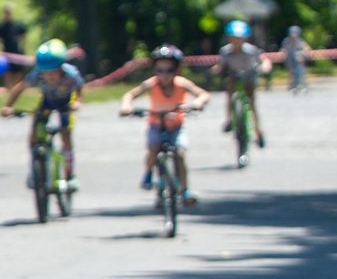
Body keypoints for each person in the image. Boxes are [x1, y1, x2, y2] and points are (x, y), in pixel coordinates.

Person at [119, 44, 211, 205]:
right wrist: (126, 106)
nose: (164, 75)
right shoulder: (151, 84)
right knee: (153, 147)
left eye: (169, 70)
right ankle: (148, 172)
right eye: (159, 70)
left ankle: (185, 190)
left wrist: (198, 103)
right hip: (156, 124)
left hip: (176, 126)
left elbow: (203, 94)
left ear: (176, 70)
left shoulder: (182, 84)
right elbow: (130, 95)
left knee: (180, 154)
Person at [0, 39, 85, 190]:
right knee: (34, 134)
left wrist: (77, 102)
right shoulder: (37, 74)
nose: (49, 76)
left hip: (65, 102)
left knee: (65, 134)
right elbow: (20, 88)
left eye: (53, 72)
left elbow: (80, 88)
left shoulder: (70, 74)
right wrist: (8, 106)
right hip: (47, 102)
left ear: (61, 67)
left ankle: (70, 174)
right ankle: (34, 169)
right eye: (46, 72)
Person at [214, 20, 268, 148]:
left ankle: (258, 131)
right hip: (234, 75)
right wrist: (216, 70)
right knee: (229, 94)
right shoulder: (225, 51)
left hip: (249, 76)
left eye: (239, 38)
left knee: (251, 103)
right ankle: (229, 120)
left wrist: (264, 67)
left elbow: (264, 60)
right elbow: (221, 65)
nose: (236, 41)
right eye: (233, 38)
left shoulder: (251, 50)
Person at [0, 3, 28, 90]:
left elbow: (23, 37)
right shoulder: (1, 26)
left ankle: (16, 90)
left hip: (16, 52)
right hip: (5, 52)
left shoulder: (17, 25)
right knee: (7, 72)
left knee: (18, 72)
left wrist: (24, 48)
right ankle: (9, 89)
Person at [279, 25, 312, 92]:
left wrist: (304, 53)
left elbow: (307, 48)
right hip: (290, 60)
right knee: (291, 73)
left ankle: (302, 85)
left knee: (301, 72)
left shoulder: (300, 41)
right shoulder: (286, 41)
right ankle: (292, 85)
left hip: (299, 61)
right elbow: (283, 49)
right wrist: (282, 53)